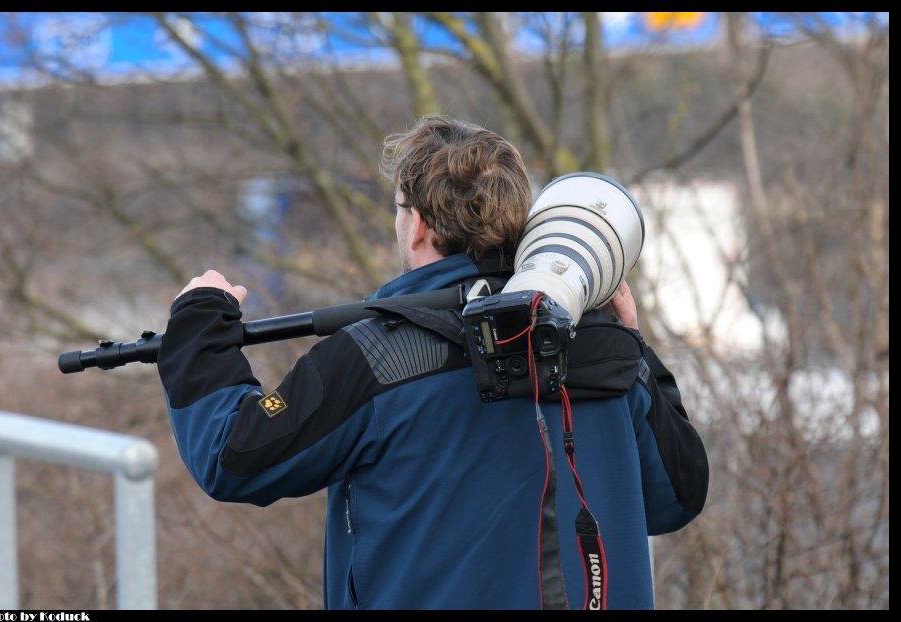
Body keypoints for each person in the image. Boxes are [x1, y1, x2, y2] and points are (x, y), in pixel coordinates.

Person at [157, 115, 709, 610]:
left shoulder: (376, 354)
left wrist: (200, 323)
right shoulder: (602, 343)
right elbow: (677, 498)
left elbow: (233, 455)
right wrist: (636, 346)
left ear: (418, 223)